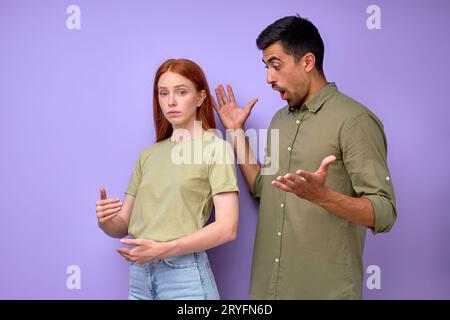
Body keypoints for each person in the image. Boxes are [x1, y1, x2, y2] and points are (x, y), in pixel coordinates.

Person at [213, 15, 397, 299]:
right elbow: (264, 188)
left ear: (308, 62)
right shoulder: (279, 120)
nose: (268, 78)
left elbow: (384, 212)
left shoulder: (355, 120)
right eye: (266, 67)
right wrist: (235, 131)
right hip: (269, 291)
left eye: (275, 65)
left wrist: (322, 196)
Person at [95, 58, 239, 300]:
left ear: (201, 98)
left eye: (181, 92)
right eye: (163, 93)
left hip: (184, 279)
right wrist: (105, 220)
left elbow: (228, 228)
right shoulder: (148, 155)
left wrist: (162, 250)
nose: (170, 101)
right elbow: (123, 225)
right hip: (140, 278)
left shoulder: (215, 147)